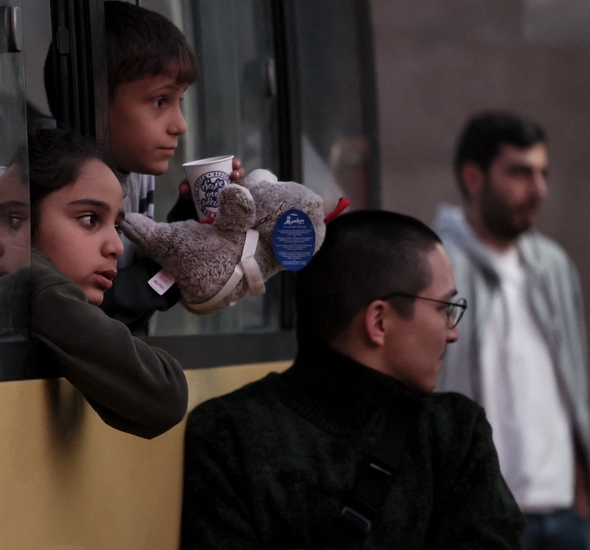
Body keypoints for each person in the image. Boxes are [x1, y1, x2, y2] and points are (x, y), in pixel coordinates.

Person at [180, 210, 525, 549]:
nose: (453, 332)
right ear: (379, 321)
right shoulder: (448, 434)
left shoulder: (227, 433)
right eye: (444, 308)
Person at [433, 112, 590, 548]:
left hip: (566, 514)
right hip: (482, 518)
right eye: (520, 172)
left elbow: (573, 381)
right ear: (473, 177)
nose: (538, 189)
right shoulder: (435, 266)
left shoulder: (554, 265)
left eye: (542, 173)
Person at [0, 127, 189, 438]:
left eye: (116, 226)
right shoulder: (5, 309)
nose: (116, 247)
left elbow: (162, 398)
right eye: (90, 219)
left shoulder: (46, 304)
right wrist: (31, 276)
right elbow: (165, 395)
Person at [45, 0, 242, 331]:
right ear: (94, 100)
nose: (180, 125)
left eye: (179, 102)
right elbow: (98, 310)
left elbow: (135, 297)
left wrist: (192, 222)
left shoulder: (133, 176)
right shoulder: (58, 179)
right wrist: (182, 266)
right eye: (160, 101)